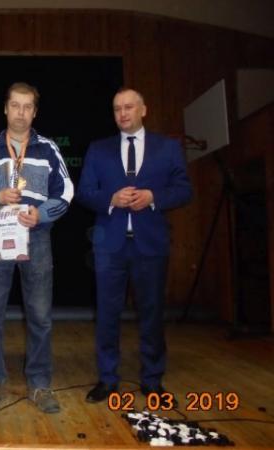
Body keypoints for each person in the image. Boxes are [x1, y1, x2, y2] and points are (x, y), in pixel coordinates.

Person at [77, 87, 192, 406]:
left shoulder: (167, 148)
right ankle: (107, 379)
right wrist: (110, 199)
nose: (122, 113)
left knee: (152, 314)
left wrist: (154, 197)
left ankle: (152, 381)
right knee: (107, 314)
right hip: (109, 247)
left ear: (143, 110)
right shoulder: (98, 149)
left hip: (151, 245)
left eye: (128, 107)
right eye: (117, 109)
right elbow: (84, 192)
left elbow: (184, 190)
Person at [0, 82, 74, 414]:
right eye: (15, 105)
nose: (21, 112)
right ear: (5, 108)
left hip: (37, 237)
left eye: (27, 106)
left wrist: (42, 214)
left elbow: (66, 191)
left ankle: (40, 383)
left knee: (40, 316)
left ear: (35, 112)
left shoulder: (48, 148)